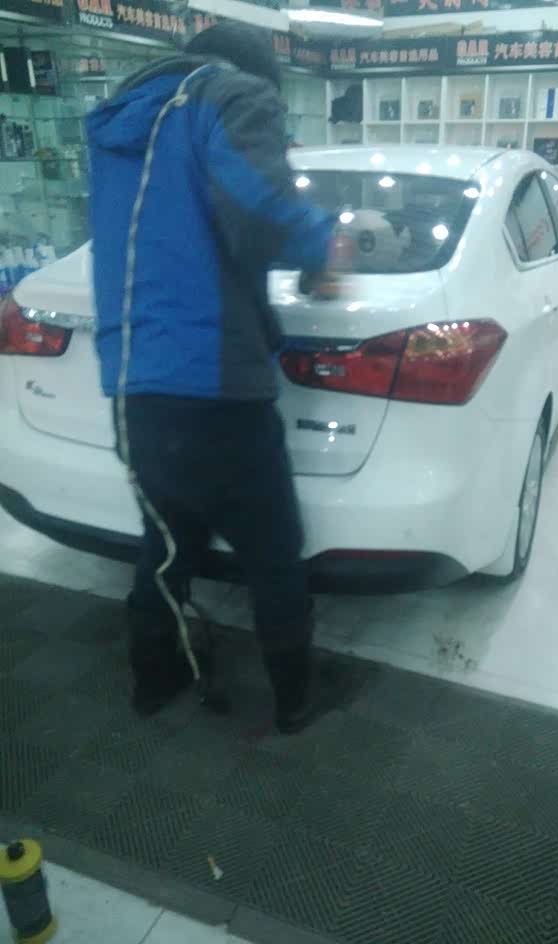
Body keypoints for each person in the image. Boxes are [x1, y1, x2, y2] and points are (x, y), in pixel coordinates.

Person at [85, 23, 340, 733]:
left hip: (134, 382)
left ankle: (152, 682)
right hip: (218, 381)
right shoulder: (230, 96)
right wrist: (325, 244)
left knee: (167, 545)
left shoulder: (122, 121)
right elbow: (260, 211)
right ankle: (293, 701)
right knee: (272, 552)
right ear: (255, 73)